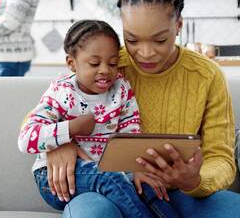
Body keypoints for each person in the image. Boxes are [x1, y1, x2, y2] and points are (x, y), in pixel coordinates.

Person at [37, 0, 240, 218]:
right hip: (108, 192)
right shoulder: (109, 65)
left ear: (178, 25)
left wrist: (193, 179)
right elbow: (40, 117)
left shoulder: (206, 76)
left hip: (177, 193)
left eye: (160, 40)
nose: (146, 53)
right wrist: (60, 142)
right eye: (132, 39)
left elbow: (220, 159)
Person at [19, 20, 183, 218]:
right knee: (109, 178)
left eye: (112, 63)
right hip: (57, 178)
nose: (105, 69)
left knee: (149, 187)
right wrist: (70, 128)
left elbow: (130, 133)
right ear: (72, 63)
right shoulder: (61, 92)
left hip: (112, 173)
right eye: (94, 63)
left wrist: (137, 169)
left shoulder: (121, 89)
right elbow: (26, 139)